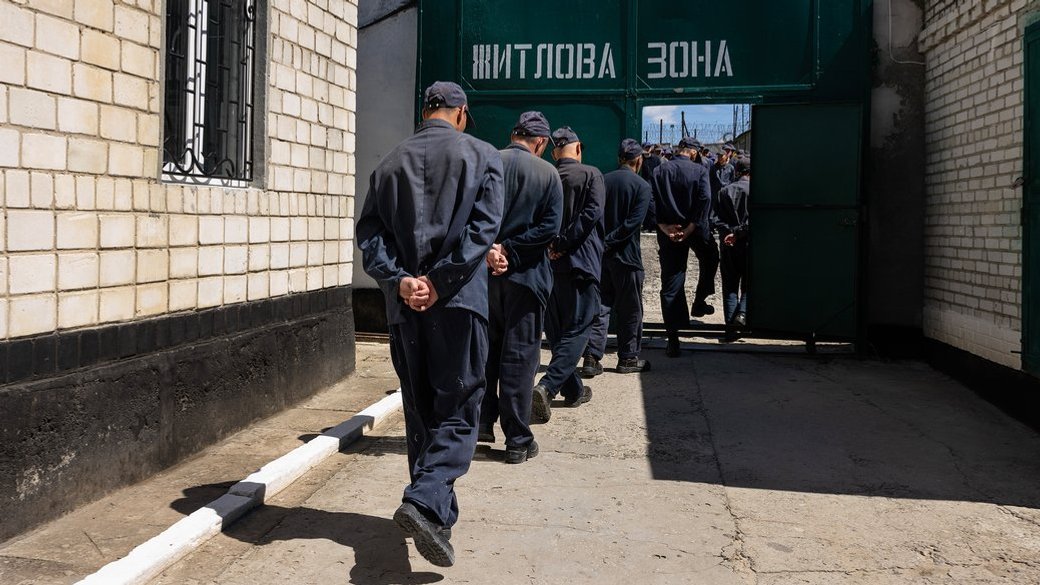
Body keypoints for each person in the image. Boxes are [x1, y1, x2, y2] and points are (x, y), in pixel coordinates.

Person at [356, 81, 504, 567]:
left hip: (404, 309)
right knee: (460, 409)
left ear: (426, 111)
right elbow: (481, 232)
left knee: (421, 411)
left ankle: (434, 519)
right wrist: (440, 283)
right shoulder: (484, 157)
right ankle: (425, 502)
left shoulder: (389, 163)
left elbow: (370, 236)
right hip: (459, 304)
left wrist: (401, 282)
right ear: (461, 114)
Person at [479, 111, 563, 464]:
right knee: (519, 357)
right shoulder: (548, 174)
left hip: (485, 277)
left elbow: (469, 217)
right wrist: (512, 251)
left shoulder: (487, 163)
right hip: (527, 280)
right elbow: (549, 228)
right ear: (541, 142)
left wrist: (491, 250)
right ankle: (517, 439)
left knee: (485, 353)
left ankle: (481, 424)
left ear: (513, 134)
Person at [531, 126, 604, 423]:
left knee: (559, 332)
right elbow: (591, 215)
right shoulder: (591, 175)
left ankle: (573, 390)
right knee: (578, 330)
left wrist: (550, 245)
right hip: (581, 263)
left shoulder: (544, 176)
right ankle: (547, 387)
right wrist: (563, 244)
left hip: (548, 264)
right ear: (577, 148)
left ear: (554, 151)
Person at [582, 138, 652, 377]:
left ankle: (591, 357)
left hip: (601, 256)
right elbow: (633, 224)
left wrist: (601, 244)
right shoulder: (642, 186)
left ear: (619, 158)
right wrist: (611, 241)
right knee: (631, 309)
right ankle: (628, 358)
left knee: (601, 306)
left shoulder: (602, 180)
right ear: (639, 160)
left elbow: (592, 215)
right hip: (628, 257)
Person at [652, 136, 719, 357]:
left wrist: (664, 227)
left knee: (671, 281)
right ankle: (700, 300)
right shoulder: (699, 171)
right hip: (695, 230)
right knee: (710, 257)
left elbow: (652, 201)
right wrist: (691, 228)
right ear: (692, 152)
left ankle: (673, 338)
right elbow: (705, 199)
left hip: (668, 231)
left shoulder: (660, 171)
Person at [713, 156, 751, 340]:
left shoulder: (723, 191)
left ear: (736, 172)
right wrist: (739, 233)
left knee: (729, 286)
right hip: (749, 244)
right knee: (750, 282)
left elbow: (715, 219)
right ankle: (742, 314)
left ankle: (730, 329)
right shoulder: (756, 192)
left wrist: (728, 233)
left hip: (728, 244)